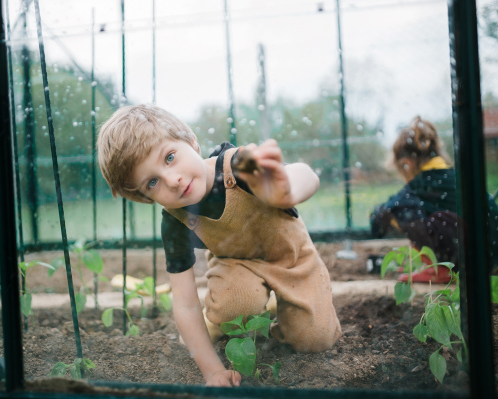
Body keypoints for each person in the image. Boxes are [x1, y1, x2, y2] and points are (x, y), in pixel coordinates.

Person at [97, 104, 341, 387]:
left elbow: (306, 174)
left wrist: (286, 188)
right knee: (233, 308)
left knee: (314, 340)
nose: (172, 180)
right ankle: (218, 318)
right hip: (235, 266)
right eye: (152, 182)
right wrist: (212, 371)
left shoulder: (238, 165)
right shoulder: (175, 221)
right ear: (145, 197)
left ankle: (283, 308)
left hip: (293, 261)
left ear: (191, 141)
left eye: (170, 157)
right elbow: (185, 304)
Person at [370, 116, 498, 283]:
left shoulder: (418, 187)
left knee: (403, 214)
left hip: (472, 264)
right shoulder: (461, 178)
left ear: (406, 164)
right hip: (492, 255)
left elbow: (383, 217)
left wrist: (378, 217)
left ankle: (440, 269)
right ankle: (437, 265)